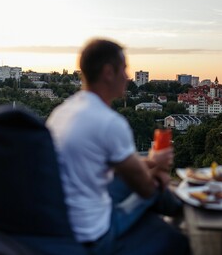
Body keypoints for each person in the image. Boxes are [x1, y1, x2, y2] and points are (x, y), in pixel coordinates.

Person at [46, 38, 189, 254]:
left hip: (63, 220)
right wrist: (158, 173)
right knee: (159, 194)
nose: (128, 77)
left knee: (133, 178)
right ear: (108, 72)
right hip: (93, 234)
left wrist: (151, 161)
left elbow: (112, 165)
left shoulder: (63, 111)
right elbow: (144, 187)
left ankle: (176, 205)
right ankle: (186, 211)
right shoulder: (109, 122)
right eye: (124, 69)